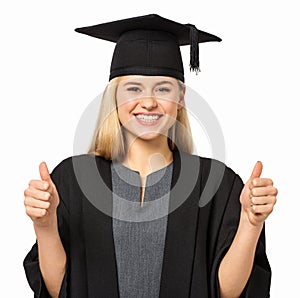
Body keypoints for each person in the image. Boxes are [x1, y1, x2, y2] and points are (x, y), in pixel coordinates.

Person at [23, 14, 278, 298]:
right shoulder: (74, 179)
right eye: (134, 89)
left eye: (163, 89)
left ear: (180, 97)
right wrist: (44, 227)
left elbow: (226, 293)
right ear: (114, 96)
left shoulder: (216, 184)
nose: (148, 102)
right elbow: (60, 291)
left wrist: (250, 224)